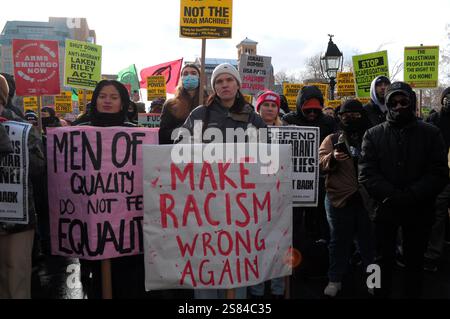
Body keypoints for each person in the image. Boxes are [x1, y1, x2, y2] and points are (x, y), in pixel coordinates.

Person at [181, 63, 266, 299]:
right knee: (206, 263)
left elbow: (265, 162)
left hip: (241, 207)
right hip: (204, 205)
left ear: (238, 84)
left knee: (236, 267)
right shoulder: (199, 116)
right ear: (214, 87)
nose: (224, 84)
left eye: (229, 80)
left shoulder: (254, 120)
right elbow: (181, 153)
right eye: (219, 81)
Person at [359, 81, 448, 298]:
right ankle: (378, 294)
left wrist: (412, 195)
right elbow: (366, 174)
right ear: (387, 104)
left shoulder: (431, 133)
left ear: (412, 102)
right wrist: (391, 195)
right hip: (384, 209)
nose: (399, 106)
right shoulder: (372, 134)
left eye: (404, 101)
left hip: (418, 208)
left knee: (415, 261)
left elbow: (438, 172)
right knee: (379, 261)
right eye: (394, 102)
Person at [77, 80, 143, 299]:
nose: (107, 101)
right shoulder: (78, 131)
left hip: (126, 221)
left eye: (114, 97)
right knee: (96, 279)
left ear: (123, 103)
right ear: (95, 100)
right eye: (102, 96)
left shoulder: (136, 134)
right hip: (92, 217)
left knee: (126, 279)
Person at [319, 99, 374, 297]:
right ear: (339, 117)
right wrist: (332, 157)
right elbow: (320, 164)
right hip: (338, 198)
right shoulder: (332, 139)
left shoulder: (372, 136)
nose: (350, 118)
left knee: (369, 243)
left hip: (367, 198)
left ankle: (373, 281)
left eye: (355, 115)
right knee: (338, 242)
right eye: (345, 115)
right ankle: (335, 279)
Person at [0, 74, 45, 298]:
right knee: (16, 276)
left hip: (17, 216)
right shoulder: (24, 128)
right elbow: (38, 169)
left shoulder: (22, 128)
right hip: (19, 215)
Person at [283, 86, 337, 249]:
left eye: (316, 110)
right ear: (300, 107)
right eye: (308, 111)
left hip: (321, 181)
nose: (312, 114)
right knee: (296, 221)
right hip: (295, 183)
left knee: (321, 219)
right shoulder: (288, 120)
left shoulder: (329, 122)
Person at [247, 90, 286, 299]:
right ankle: (257, 291)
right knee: (257, 245)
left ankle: (278, 290)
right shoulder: (248, 132)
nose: (270, 109)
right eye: (266, 106)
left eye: (273, 106)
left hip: (280, 198)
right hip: (255, 197)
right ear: (259, 108)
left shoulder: (288, 132)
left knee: (279, 246)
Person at [422, 86, 450, 272]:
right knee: (438, 215)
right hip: (441, 174)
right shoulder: (433, 120)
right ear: (442, 100)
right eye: (448, 97)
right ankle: (433, 252)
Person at [159, 64, 202, 144]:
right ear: (181, 78)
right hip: (178, 151)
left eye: (193, 73)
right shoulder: (170, 104)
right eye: (185, 74)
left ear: (200, 78)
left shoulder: (208, 102)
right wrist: (183, 131)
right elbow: (163, 134)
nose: (189, 76)